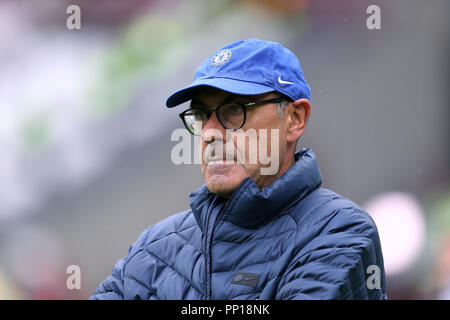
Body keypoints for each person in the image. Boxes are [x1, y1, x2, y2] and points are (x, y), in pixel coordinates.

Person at [90, 38, 387, 300]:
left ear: (295, 119)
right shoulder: (153, 248)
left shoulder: (338, 231)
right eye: (200, 114)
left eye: (234, 110)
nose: (209, 133)